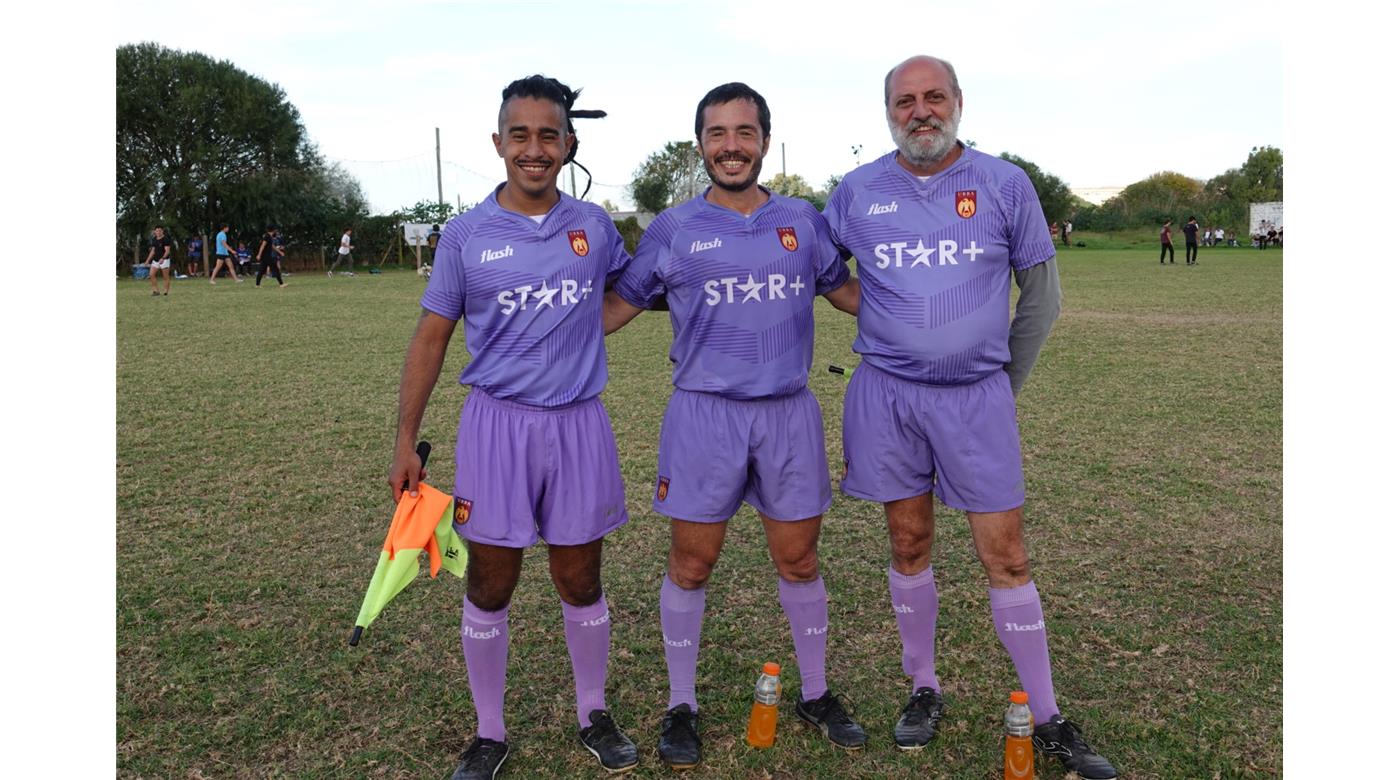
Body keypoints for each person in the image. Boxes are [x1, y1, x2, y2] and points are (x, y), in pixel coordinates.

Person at [822, 55, 1118, 779]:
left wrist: (999, 382)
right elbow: (825, 273)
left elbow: (1042, 298)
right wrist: (892, 315)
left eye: (934, 98)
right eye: (904, 100)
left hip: (976, 398)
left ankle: (1047, 717)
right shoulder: (856, 191)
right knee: (908, 540)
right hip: (887, 396)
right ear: (887, 109)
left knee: (1006, 555)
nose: (919, 111)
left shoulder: (1003, 183)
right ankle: (923, 688)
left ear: (958, 102)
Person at [602, 82, 866, 769]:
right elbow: (613, 309)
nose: (731, 146)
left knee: (799, 559)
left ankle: (814, 692)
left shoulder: (802, 221)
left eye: (744, 133)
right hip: (703, 415)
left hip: (787, 413)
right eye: (717, 134)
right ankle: (681, 704)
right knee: (692, 563)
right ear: (701, 147)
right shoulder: (672, 228)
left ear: (764, 142)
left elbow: (847, 296)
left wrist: (938, 311)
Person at [387, 74, 638, 780]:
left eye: (548, 135)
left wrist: (586, 330)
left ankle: (593, 711)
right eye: (520, 135)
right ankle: (489, 730)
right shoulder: (466, 234)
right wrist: (406, 440)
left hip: (579, 426)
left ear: (569, 143)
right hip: (496, 429)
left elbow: (630, 292)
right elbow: (432, 336)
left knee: (579, 579)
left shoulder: (594, 226)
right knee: (491, 583)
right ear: (499, 143)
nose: (534, 149)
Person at [145, 226, 173, 296]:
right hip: (155, 260)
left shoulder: (166, 239)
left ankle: (166, 292)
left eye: (160, 231)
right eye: (157, 231)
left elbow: (167, 251)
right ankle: (156, 291)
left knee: (165, 277)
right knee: (151, 274)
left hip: (164, 260)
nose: (158, 232)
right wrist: (147, 260)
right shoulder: (154, 239)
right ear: (154, 231)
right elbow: (153, 251)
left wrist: (163, 258)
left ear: (162, 231)